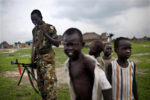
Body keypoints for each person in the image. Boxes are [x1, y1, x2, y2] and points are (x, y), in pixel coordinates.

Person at [63, 28, 112, 100]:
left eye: (73, 45)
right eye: (66, 45)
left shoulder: (88, 62)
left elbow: (106, 86)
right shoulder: (67, 64)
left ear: (82, 45)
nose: (70, 48)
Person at [31, 9, 59, 100]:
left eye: (35, 19)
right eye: (32, 20)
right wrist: (33, 60)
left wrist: (45, 34)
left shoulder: (49, 27)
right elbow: (36, 46)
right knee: (41, 85)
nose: (34, 22)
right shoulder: (34, 30)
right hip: (39, 61)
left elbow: (57, 43)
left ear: (41, 17)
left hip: (48, 60)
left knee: (50, 85)